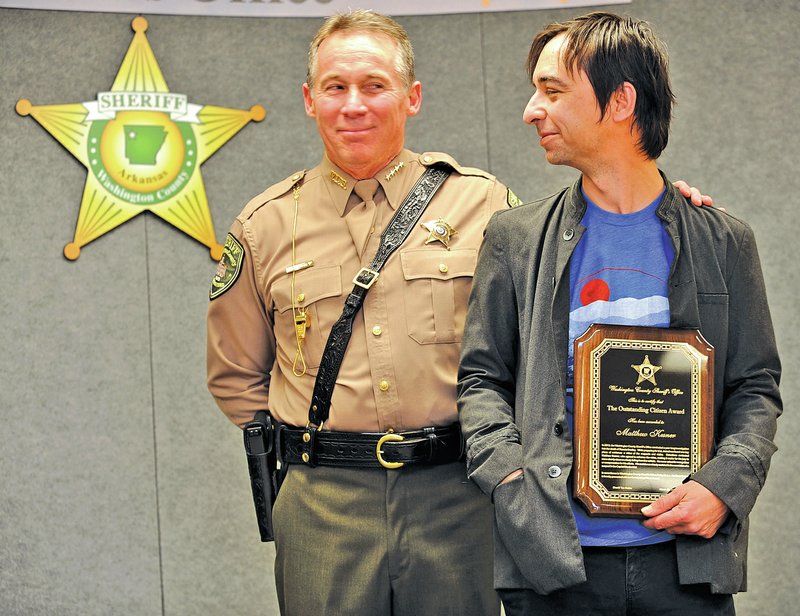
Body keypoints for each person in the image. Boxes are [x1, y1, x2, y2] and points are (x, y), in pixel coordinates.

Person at [207, 9, 712, 616]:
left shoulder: (486, 205)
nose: (354, 105)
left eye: (374, 86)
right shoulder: (263, 226)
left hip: (458, 494)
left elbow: (566, 283)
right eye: (335, 88)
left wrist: (668, 208)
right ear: (310, 100)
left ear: (411, 96)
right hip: (324, 501)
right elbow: (236, 377)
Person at [457, 11, 781, 616]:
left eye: (552, 91)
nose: (532, 110)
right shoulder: (515, 238)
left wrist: (724, 488)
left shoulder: (722, 241)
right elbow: (480, 381)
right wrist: (509, 483)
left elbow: (755, 386)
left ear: (621, 101)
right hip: (554, 564)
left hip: (687, 563)